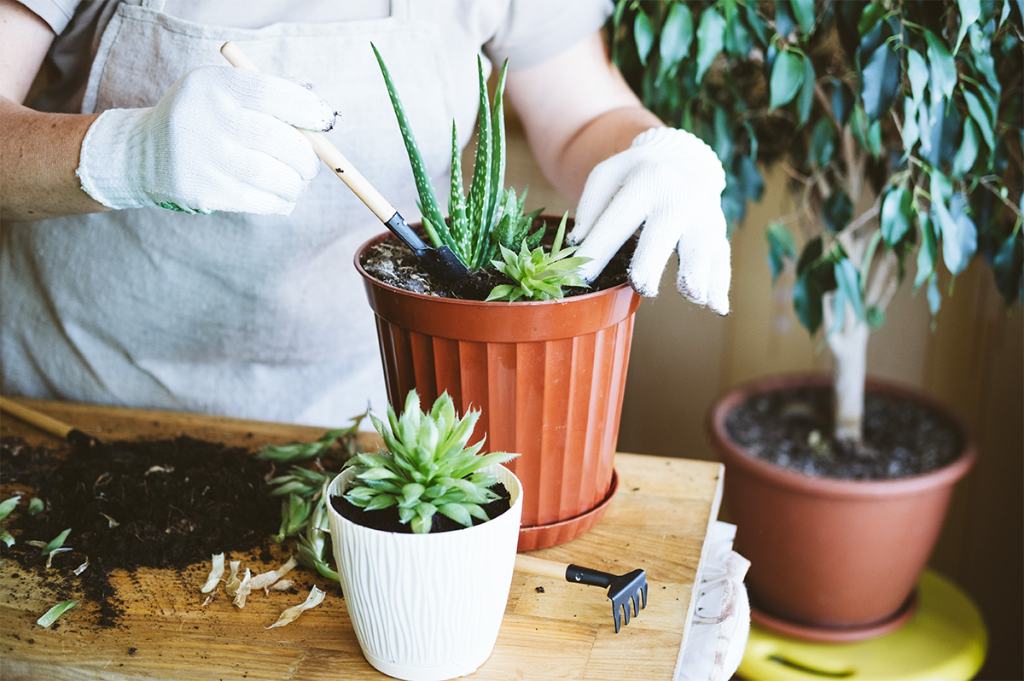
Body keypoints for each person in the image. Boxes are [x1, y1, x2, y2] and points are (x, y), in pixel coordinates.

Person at [0, 0, 730, 424]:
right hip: (78, 410)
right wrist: (125, 153)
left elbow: (579, 116)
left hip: (373, 423)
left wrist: (652, 150)